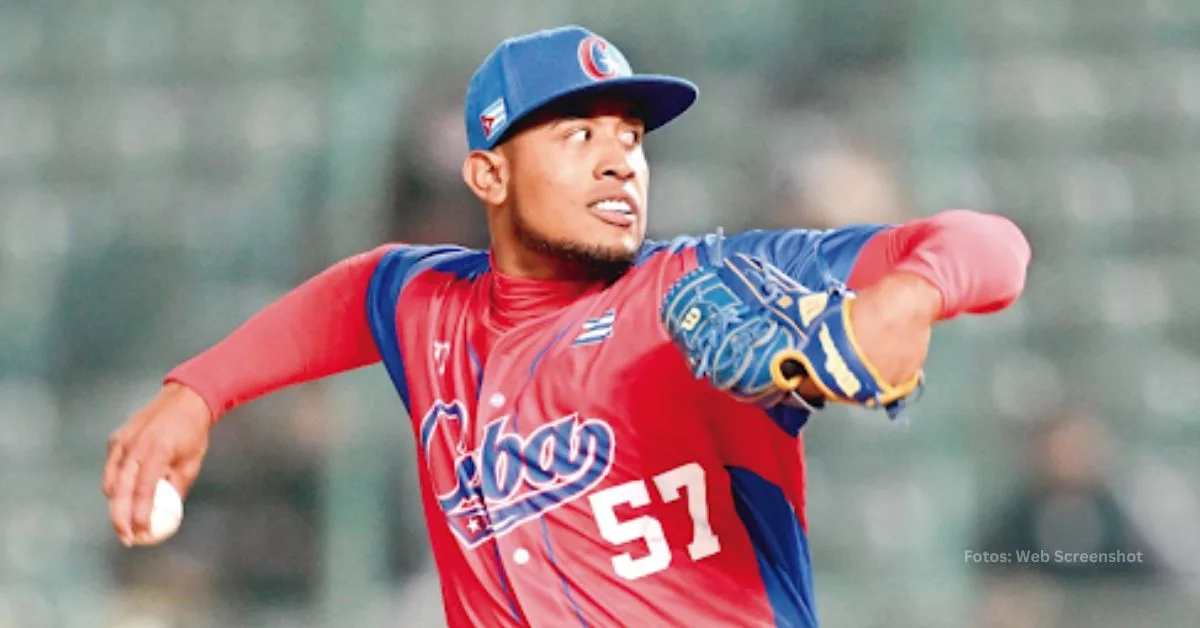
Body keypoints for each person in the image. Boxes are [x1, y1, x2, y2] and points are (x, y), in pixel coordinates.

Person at [103, 25, 1031, 627]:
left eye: (631, 136)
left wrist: (908, 298)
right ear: (489, 176)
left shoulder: (700, 286)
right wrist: (198, 392)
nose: (621, 159)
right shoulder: (428, 308)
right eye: (577, 135)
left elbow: (990, 246)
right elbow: (353, 294)